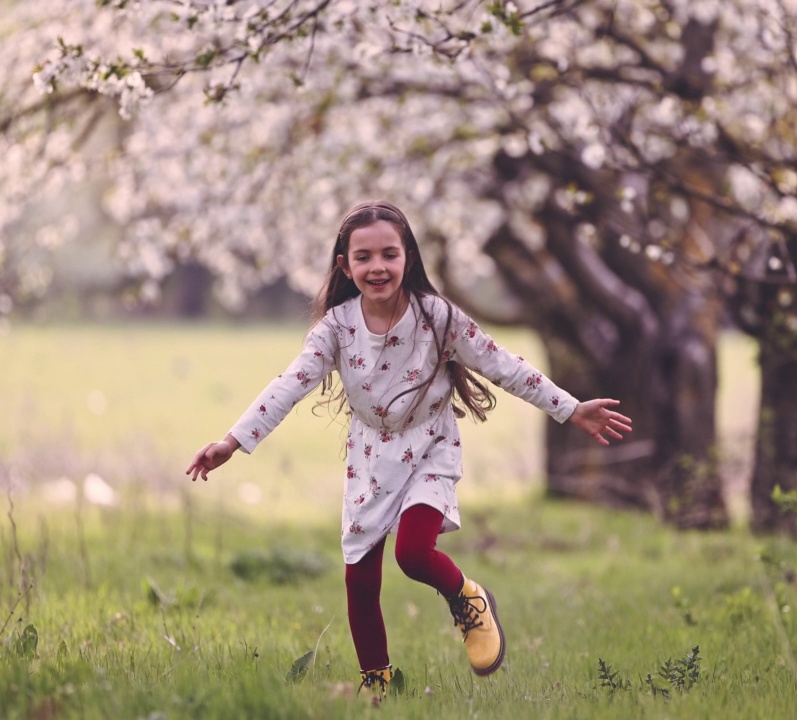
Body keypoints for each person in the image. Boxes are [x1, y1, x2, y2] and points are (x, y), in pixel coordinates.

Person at [185, 200, 633, 699]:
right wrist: (232, 440)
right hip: (371, 456)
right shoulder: (335, 328)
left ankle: (469, 599)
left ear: (408, 258)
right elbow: (288, 385)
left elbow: (502, 364)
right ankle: (375, 684)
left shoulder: (437, 318)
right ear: (345, 266)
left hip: (430, 446)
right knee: (359, 577)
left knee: (414, 553)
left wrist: (570, 408)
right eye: (364, 256)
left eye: (389, 254)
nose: (377, 266)